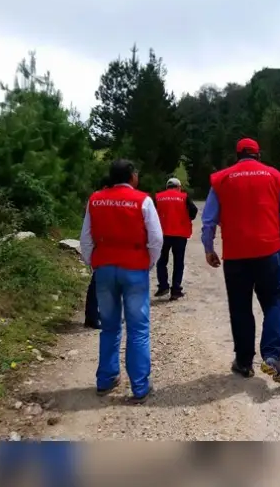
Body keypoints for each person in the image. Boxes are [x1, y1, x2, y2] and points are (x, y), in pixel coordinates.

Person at [201, 138, 280, 383]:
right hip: (269, 251)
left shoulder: (221, 179)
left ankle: (244, 362)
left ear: (237, 155)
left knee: (240, 307)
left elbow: (209, 220)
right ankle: (272, 356)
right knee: (274, 300)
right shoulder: (274, 176)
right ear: (258, 155)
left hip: (235, 255)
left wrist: (209, 248)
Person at [79, 159, 163, 402]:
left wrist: (93, 262)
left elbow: (85, 239)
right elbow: (156, 238)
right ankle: (139, 387)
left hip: (104, 268)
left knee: (109, 326)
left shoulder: (95, 200)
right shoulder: (143, 200)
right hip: (134, 269)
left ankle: (106, 379)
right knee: (138, 328)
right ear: (132, 176)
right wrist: (148, 263)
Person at [154, 177, 199, 300]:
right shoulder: (183, 197)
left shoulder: (158, 197)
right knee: (178, 262)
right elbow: (194, 210)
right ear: (179, 187)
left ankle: (163, 286)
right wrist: (187, 218)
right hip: (180, 233)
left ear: (167, 187)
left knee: (162, 261)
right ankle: (176, 290)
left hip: (162, 234)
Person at [84, 176, 113, 329]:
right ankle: (92, 317)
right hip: (101, 249)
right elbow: (88, 232)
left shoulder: (96, 200)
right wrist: (88, 257)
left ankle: (98, 315)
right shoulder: (98, 200)